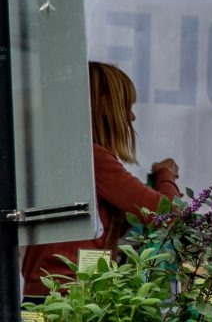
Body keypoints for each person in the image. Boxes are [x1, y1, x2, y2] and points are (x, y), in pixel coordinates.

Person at [22, 62, 180, 292]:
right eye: (126, 105)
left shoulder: (61, 153)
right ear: (105, 103)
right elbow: (167, 214)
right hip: (71, 298)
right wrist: (166, 174)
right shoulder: (90, 157)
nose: (131, 117)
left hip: (45, 292)